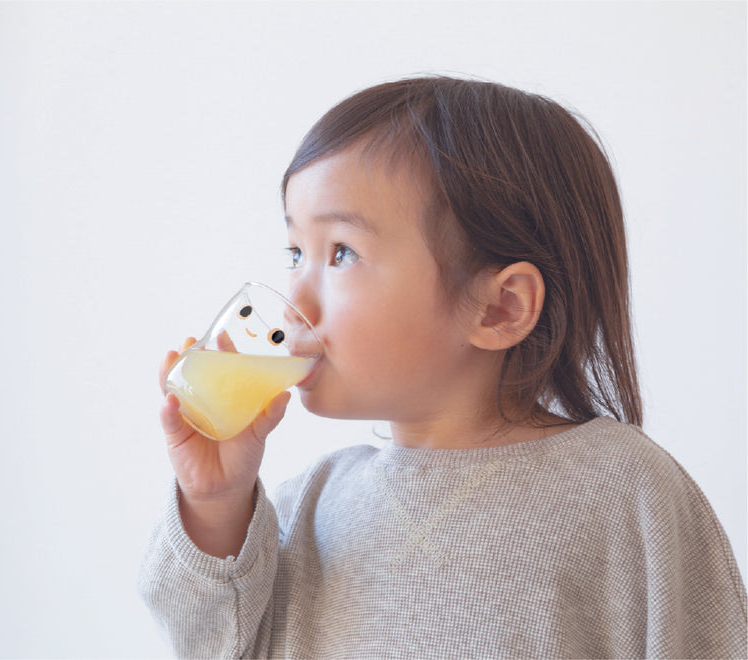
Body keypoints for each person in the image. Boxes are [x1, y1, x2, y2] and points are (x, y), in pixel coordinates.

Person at [138, 76, 747, 658]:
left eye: (341, 252)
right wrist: (214, 503)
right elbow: (206, 643)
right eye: (295, 251)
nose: (295, 298)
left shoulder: (625, 494)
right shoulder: (310, 505)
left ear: (500, 307)